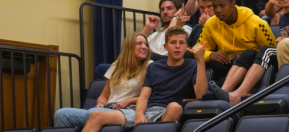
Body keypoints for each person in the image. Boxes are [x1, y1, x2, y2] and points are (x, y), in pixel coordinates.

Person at [81, 27, 209, 131]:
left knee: (175, 107)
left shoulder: (193, 65)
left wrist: (201, 61)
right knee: (95, 115)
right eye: (173, 42)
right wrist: (139, 114)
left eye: (181, 43)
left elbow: (201, 94)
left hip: (166, 112)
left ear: (186, 47)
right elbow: (143, 97)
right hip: (147, 110)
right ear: (165, 47)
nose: (177, 46)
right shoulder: (154, 67)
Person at [54, 33, 152, 130]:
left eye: (146, 44)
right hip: (109, 108)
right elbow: (104, 96)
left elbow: (153, 95)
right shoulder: (116, 65)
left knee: (92, 113)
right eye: (139, 43)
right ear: (128, 47)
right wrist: (101, 103)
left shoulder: (150, 66)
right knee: (61, 114)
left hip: (130, 109)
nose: (144, 47)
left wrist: (129, 100)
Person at [198, 0, 275, 84]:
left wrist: (243, 55)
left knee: (243, 55)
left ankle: (224, 90)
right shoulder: (211, 23)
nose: (217, 10)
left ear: (233, 3)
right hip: (227, 64)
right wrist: (211, 55)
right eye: (214, 6)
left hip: (253, 66)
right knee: (194, 62)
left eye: (222, 6)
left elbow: (271, 51)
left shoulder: (257, 23)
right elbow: (198, 50)